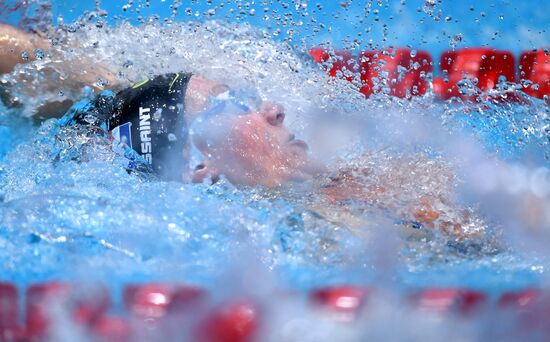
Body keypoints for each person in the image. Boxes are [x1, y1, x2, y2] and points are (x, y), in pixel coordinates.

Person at [0, 23, 488, 243]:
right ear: (201, 169)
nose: (277, 110)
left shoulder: (374, 181)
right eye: (239, 107)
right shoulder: (316, 243)